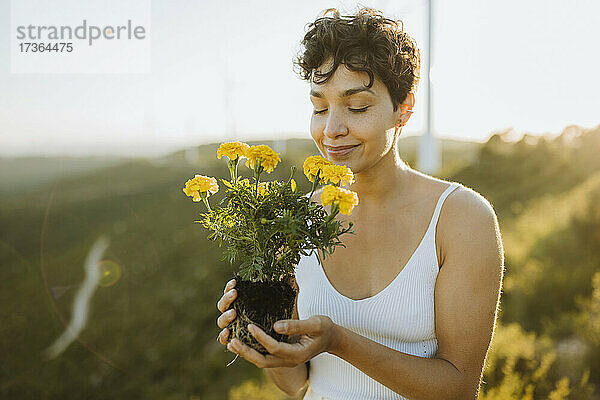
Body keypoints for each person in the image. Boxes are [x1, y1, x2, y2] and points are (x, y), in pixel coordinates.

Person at [216, 7, 504, 400]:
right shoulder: (294, 221)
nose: (331, 130)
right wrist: (263, 341)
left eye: (357, 107)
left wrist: (338, 340)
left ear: (404, 108)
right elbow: (297, 381)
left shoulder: (461, 219)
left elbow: (458, 388)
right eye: (319, 108)